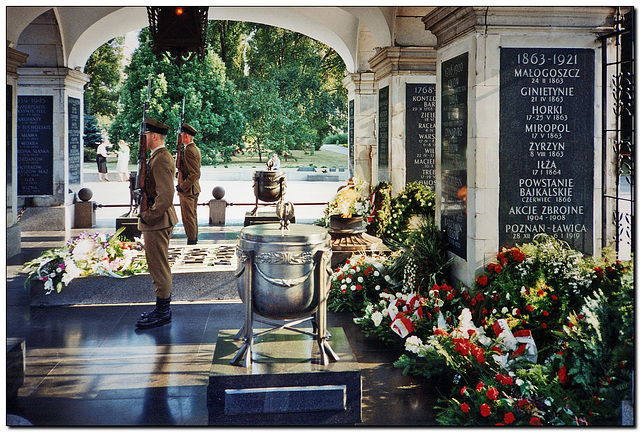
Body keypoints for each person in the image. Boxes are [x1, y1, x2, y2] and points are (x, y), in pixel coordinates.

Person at [136, 117, 179, 329]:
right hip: (157, 220)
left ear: (154, 136)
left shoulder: (161, 158)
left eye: (144, 135)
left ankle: (163, 312)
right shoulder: (156, 157)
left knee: (159, 267)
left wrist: (148, 216)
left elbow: (166, 196)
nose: (142, 139)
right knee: (157, 266)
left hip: (158, 221)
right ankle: (162, 308)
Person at [176, 124, 202, 245]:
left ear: (186, 136)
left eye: (181, 135)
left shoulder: (190, 151)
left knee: (188, 218)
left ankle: (192, 241)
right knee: (191, 216)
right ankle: (193, 239)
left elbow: (195, 174)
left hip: (189, 190)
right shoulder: (193, 148)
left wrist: (182, 186)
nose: (180, 137)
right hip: (192, 188)